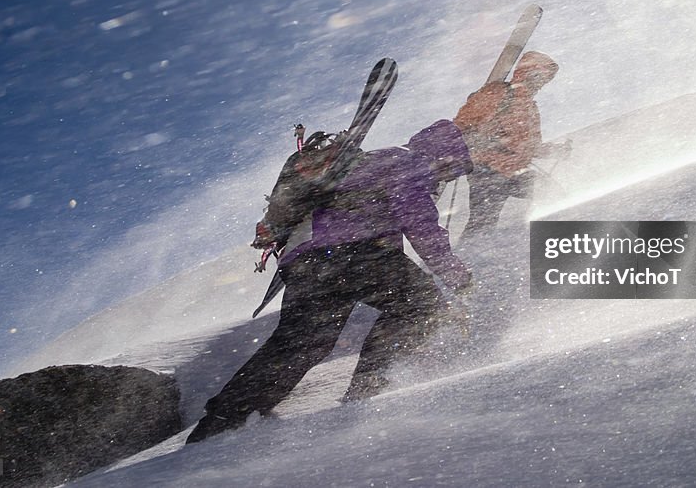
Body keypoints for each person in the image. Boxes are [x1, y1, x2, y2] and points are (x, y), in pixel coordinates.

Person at [187, 120, 473, 444]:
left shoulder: (363, 162)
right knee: (424, 306)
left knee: (302, 345)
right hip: (359, 253)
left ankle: (225, 419)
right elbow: (421, 227)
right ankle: (368, 390)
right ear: (444, 156)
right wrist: (457, 277)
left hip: (305, 261)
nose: (447, 181)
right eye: (451, 172)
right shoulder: (407, 162)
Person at [453, 51, 563, 236]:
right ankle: (472, 255)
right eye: (539, 77)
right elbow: (461, 124)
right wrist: (478, 139)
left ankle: (539, 237)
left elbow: (532, 148)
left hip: (514, 171)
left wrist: (556, 150)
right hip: (487, 169)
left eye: (544, 80)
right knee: (483, 221)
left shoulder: (530, 108)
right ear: (526, 73)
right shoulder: (497, 92)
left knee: (551, 192)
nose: (541, 84)